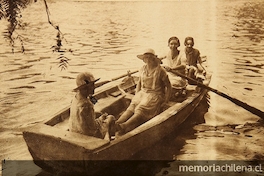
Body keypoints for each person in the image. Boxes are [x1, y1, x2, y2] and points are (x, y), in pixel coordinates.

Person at [115, 49, 171, 135]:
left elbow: (168, 86)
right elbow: (139, 83)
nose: (148, 60)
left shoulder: (160, 70)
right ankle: (117, 123)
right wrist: (136, 95)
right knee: (133, 105)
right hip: (143, 93)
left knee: (141, 107)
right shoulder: (142, 69)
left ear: (154, 59)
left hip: (156, 94)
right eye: (146, 58)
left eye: (150, 58)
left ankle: (125, 126)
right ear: (144, 59)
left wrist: (166, 100)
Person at [69, 72, 115, 141]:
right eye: (92, 85)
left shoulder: (75, 98)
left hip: (75, 131)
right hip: (88, 137)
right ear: (85, 88)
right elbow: (93, 129)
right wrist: (101, 119)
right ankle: (109, 142)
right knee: (111, 118)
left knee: (100, 115)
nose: (94, 87)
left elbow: (83, 117)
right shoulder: (86, 104)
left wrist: (97, 116)